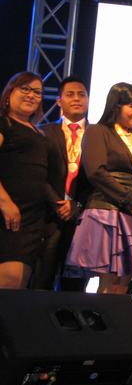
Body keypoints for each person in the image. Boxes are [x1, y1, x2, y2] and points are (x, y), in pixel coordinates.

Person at [64, 82, 132, 293]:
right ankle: (99, 316)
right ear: (116, 106)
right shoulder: (98, 131)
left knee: (123, 284)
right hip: (107, 211)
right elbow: (96, 172)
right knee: (107, 282)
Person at [32, 76, 90, 292]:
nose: (76, 99)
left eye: (81, 94)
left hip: (82, 219)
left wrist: (77, 205)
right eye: (70, 94)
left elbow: (97, 179)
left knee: (75, 288)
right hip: (48, 217)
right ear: (59, 101)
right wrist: (57, 203)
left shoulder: (98, 135)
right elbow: (39, 174)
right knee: (41, 282)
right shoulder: (43, 132)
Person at [0, 72, 49, 289]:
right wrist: (5, 203)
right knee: (9, 281)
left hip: (33, 220)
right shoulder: (4, 124)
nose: (31, 95)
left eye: (37, 92)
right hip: (8, 216)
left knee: (19, 285)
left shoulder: (39, 132)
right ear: (9, 92)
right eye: (25, 89)